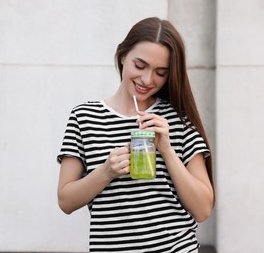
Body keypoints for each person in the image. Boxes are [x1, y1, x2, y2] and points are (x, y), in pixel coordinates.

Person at [56, 17, 214, 253]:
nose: (147, 80)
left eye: (161, 72)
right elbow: (66, 201)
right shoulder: (84, 117)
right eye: (140, 66)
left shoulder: (177, 121)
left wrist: (167, 151)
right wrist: (106, 171)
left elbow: (202, 210)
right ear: (122, 56)